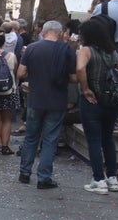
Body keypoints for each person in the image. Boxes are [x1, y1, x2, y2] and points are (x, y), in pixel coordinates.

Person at [16, 20, 76, 189]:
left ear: (44, 32)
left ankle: (24, 173)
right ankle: (44, 177)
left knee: (31, 137)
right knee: (50, 139)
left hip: (36, 98)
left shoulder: (32, 48)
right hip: (57, 100)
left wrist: (33, 78)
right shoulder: (67, 50)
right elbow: (74, 77)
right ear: (60, 32)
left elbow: (20, 73)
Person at [75, 17, 118, 194]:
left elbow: (80, 69)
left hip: (92, 101)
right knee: (108, 138)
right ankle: (112, 177)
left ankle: (98, 179)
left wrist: (86, 89)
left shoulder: (85, 51)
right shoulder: (113, 53)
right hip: (111, 101)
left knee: (94, 140)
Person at [0, 30, 20, 155]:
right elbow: (14, 71)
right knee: (7, 119)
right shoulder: (11, 56)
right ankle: (5, 146)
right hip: (8, 90)